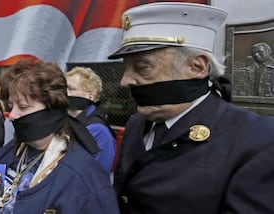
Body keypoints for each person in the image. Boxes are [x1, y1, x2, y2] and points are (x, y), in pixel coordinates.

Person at [108, 2, 274, 213]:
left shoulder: (259, 141)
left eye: (141, 67)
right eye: (126, 68)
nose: (125, 81)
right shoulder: (136, 123)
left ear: (197, 67)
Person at [0, 59, 118, 214]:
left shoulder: (82, 175)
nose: (12, 115)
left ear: (52, 110)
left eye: (22, 107)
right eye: (11, 106)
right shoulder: (7, 152)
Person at [65, 67, 116, 174]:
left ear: (90, 96)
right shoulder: (67, 120)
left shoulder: (98, 129)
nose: (64, 93)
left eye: (70, 89)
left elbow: (98, 173)